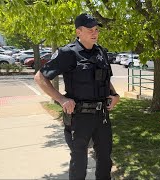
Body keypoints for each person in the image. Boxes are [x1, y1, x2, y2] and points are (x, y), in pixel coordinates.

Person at [34, 13, 119, 179]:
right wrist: (61, 99)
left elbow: (105, 79)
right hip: (79, 117)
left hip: (102, 116)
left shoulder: (100, 52)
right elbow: (40, 77)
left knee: (105, 159)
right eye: (90, 30)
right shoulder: (68, 53)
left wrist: (114, 95)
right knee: (79, 162)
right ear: (78, 31)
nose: (94, 33)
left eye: (96, 30)